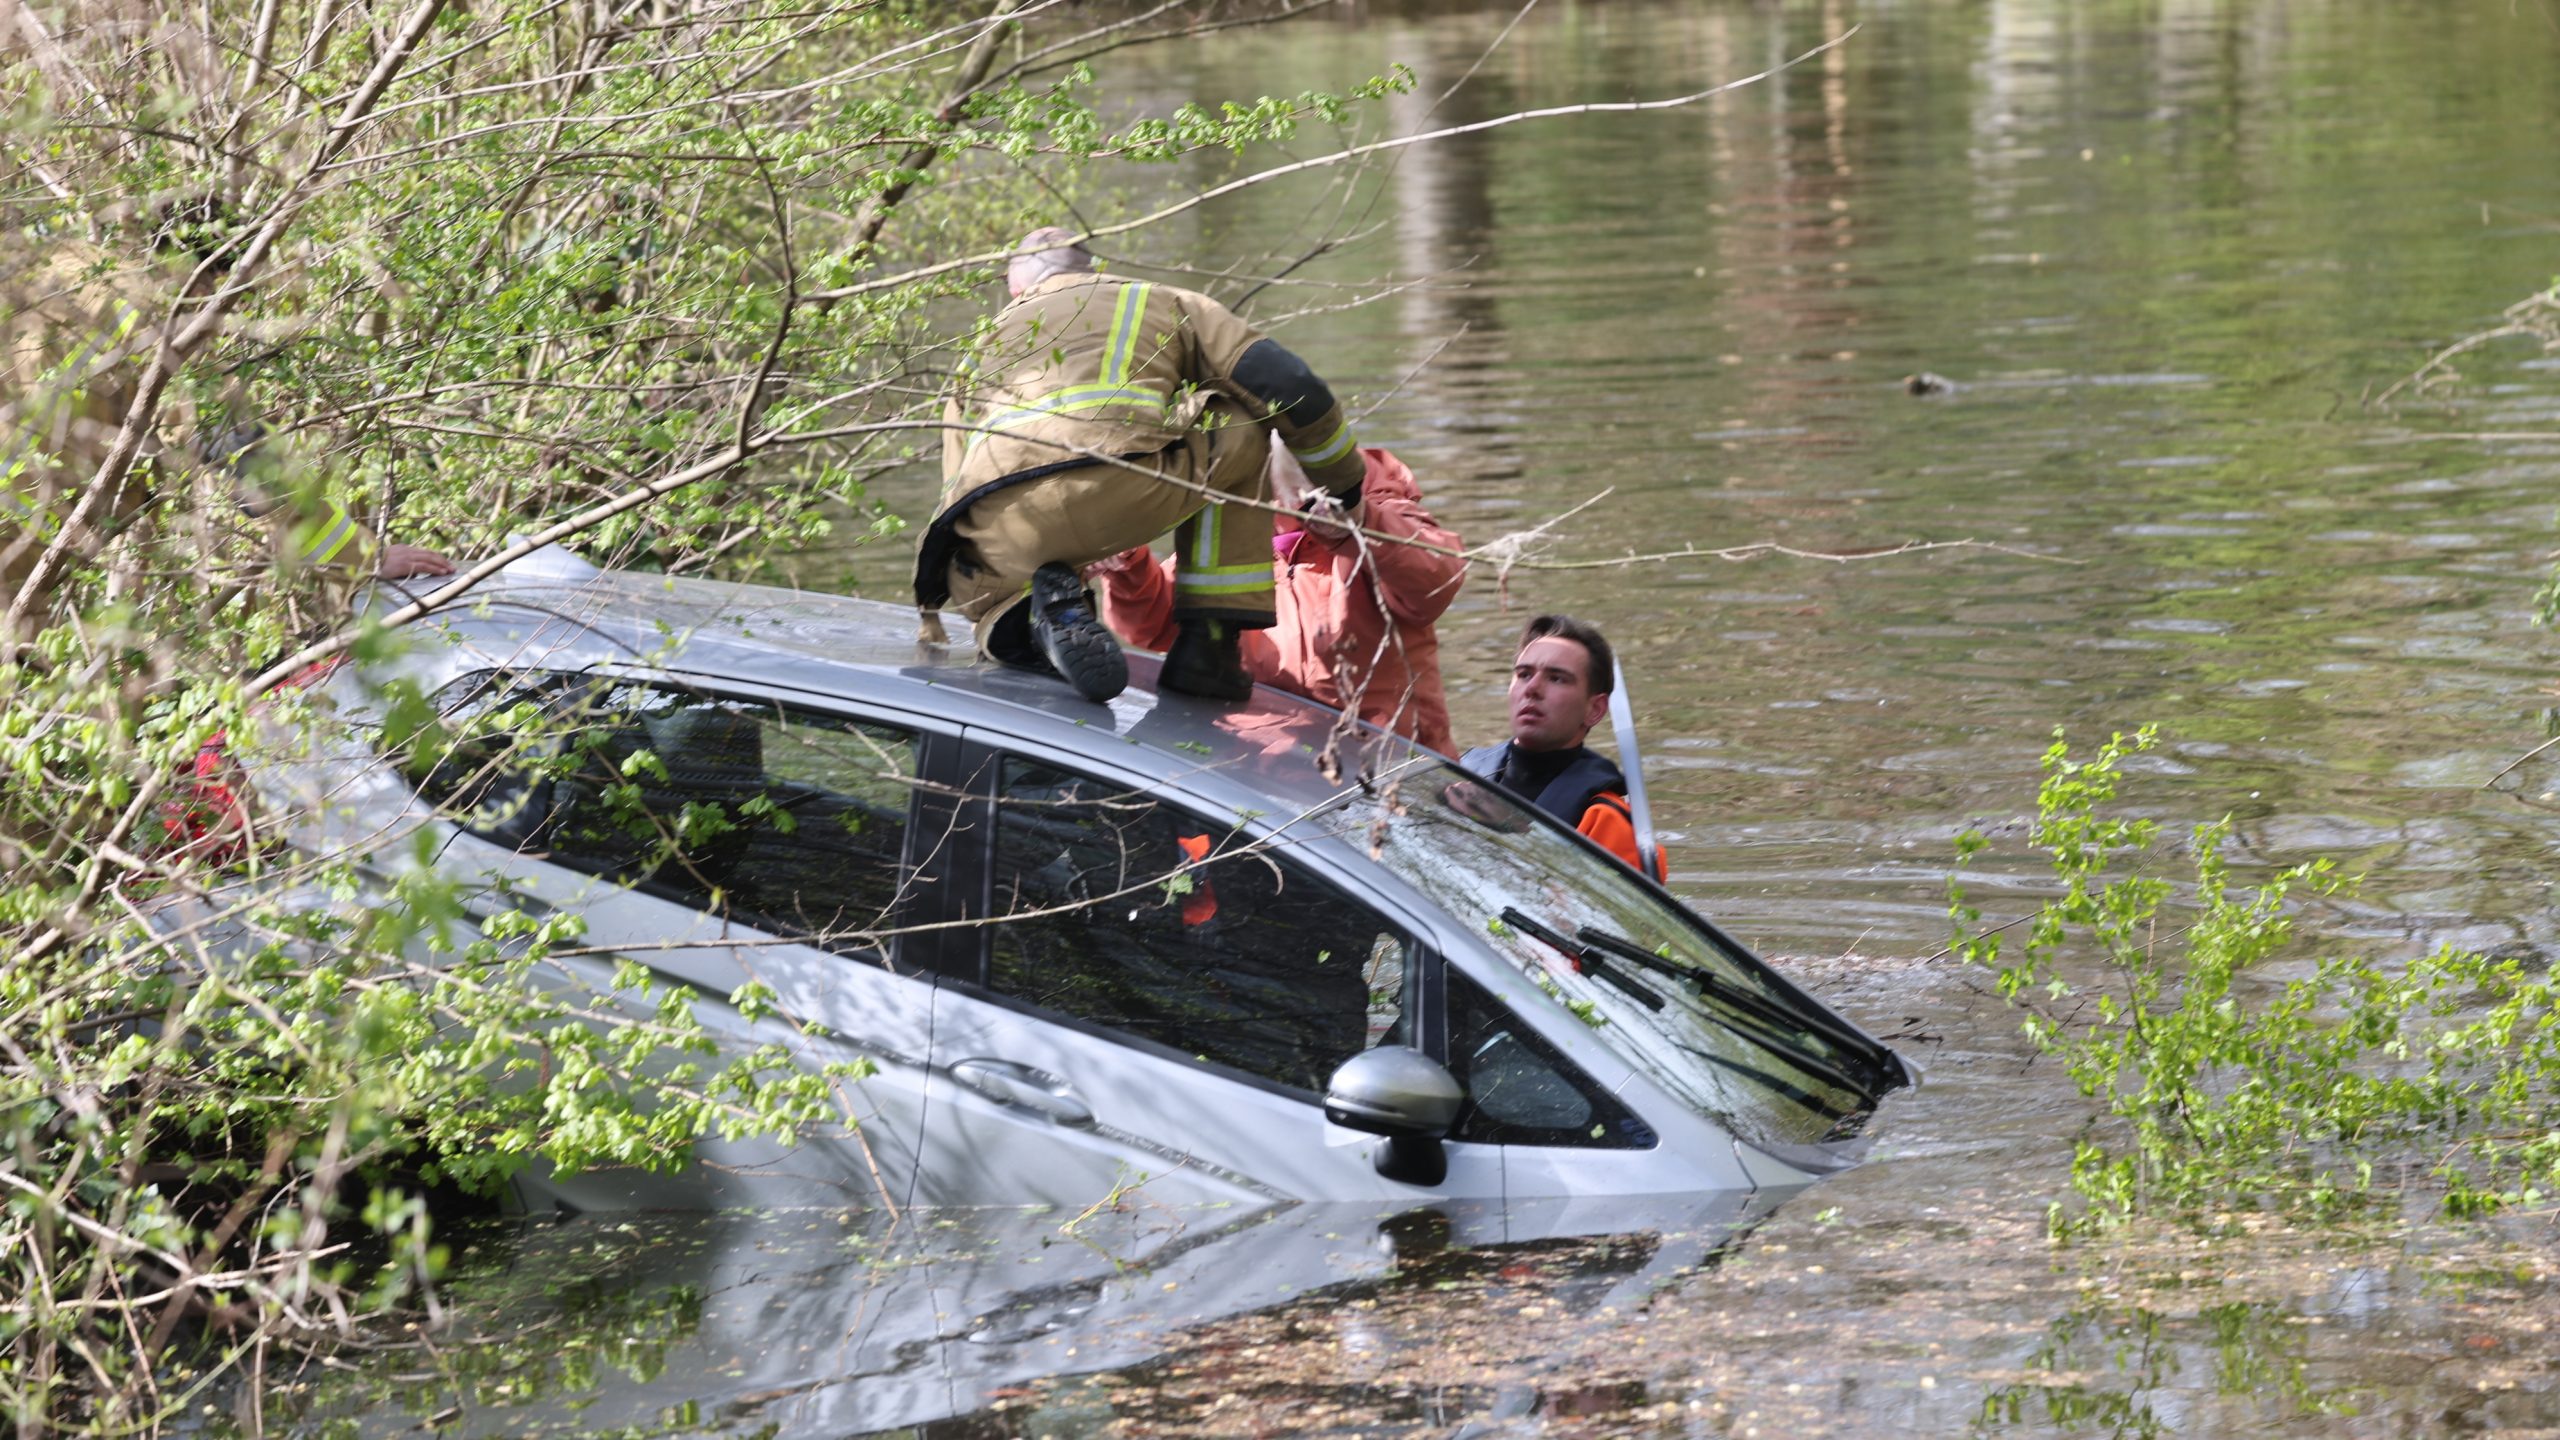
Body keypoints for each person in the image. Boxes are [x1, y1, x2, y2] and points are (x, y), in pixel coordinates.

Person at [913, 226, 1368, 705]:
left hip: (1003, 537)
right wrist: (1345, 488)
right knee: (1239, 418)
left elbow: (952, 494)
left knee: (984, 562)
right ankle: (1209, 644)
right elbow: (1294, 386)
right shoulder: (1160, 302)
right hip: (1118, 493)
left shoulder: (975, 353)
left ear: (1013, 288)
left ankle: (1023, 616)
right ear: (1093, 271)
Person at [1, 229, 452, 639]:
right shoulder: (161, 317)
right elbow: (238, 449)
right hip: (21, 531)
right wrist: (359, 556)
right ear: (210, 277)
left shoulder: (64, 259)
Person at [1091, 438, 1465, 752]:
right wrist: (1128, 564)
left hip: (1384, 771)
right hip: (1260, 773)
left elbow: (1437, 581)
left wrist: (1356, 521)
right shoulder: (1228, 525)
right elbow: (1152, 627)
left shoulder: (1378, 507)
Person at [1459, 614, 1666, 879]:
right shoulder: (1458, 774)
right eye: (1524, 674)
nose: (1532, 688)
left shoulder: (1605, 823)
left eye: (1556, 678)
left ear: (1595, 709)